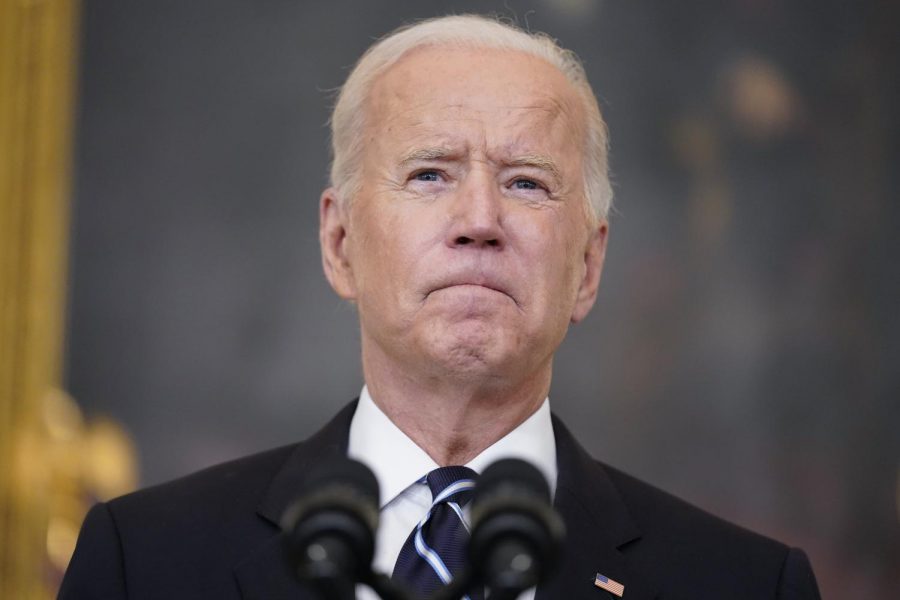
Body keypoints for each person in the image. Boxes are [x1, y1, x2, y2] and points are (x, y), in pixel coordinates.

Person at [59, 14, 821, 600]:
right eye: (430, 174)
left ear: (587, 266)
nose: (480, 219)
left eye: (526, 182)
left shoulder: (744, 585)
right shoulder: (146, 560)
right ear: (340, 241)